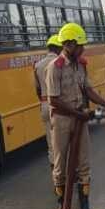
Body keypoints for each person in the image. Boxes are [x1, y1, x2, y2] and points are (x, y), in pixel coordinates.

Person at [45, 22, 105, 209]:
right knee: (61, 162)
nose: (83, 49)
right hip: (62, 119)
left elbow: (87, 89)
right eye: (80, 45)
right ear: (69, 45)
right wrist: (77, 114)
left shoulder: (81, 65)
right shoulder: (55, 67)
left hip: (79, 119)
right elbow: (53, 99)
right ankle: (61, 206)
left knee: (83, 163)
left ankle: (84, 208)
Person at [33, 34, 62, 189]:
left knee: (51, 145)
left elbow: (37, 89)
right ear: (58, 48)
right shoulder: (60, 63)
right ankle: (67, 176)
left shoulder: (38, 65)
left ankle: (56, 181)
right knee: (64, 143)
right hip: (60, 107)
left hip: (44, 105)